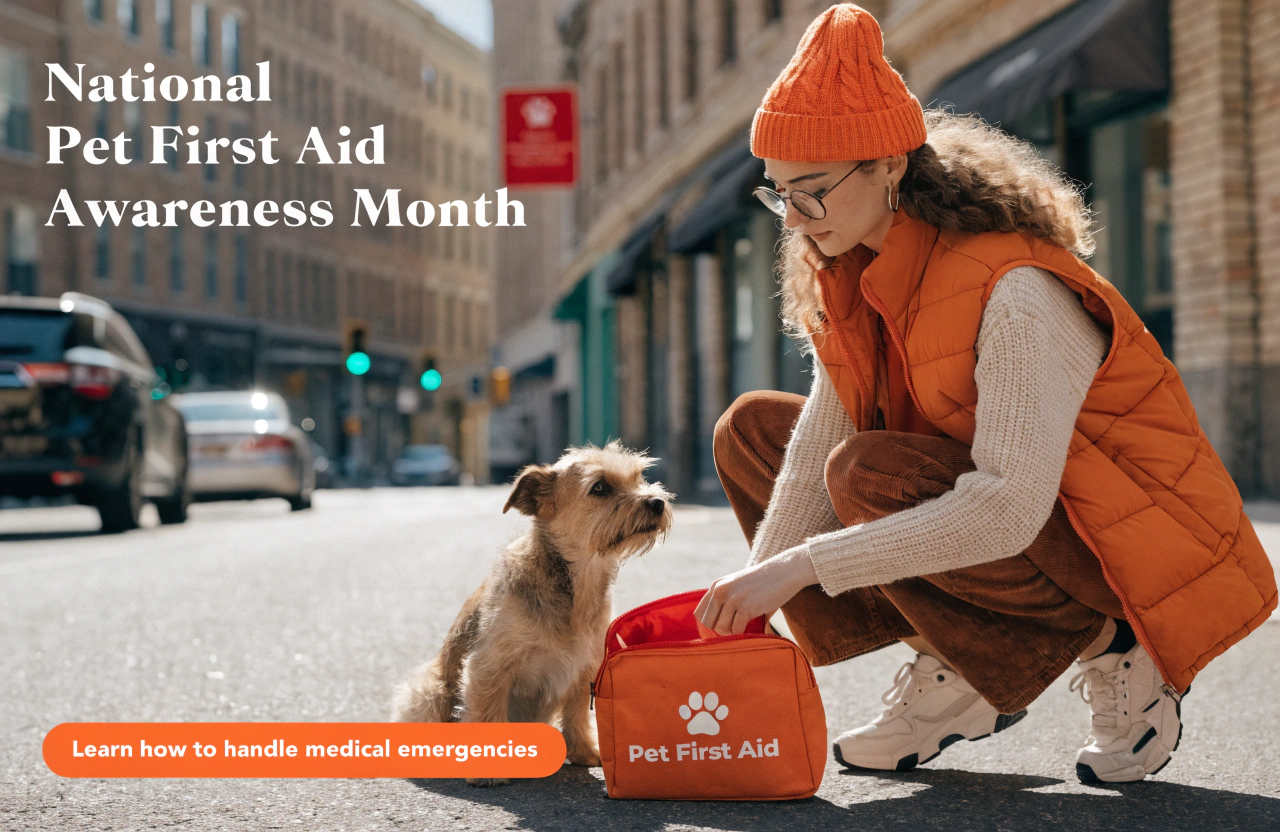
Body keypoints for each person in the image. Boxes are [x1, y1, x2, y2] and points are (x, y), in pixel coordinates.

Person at [694, 3, 1275, 784]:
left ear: (889, 165)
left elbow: (1006, 505)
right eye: (778, 195)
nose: (794, 221)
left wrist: (798, 567)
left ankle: (1119, 649)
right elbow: (804, 461)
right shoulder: (850, 275)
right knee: (754, 433)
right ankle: (954, 666)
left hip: (1122, 547)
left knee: (869, 473)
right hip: (1013, 520)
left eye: (812, 192)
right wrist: (750, 601)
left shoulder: (1015, 288)